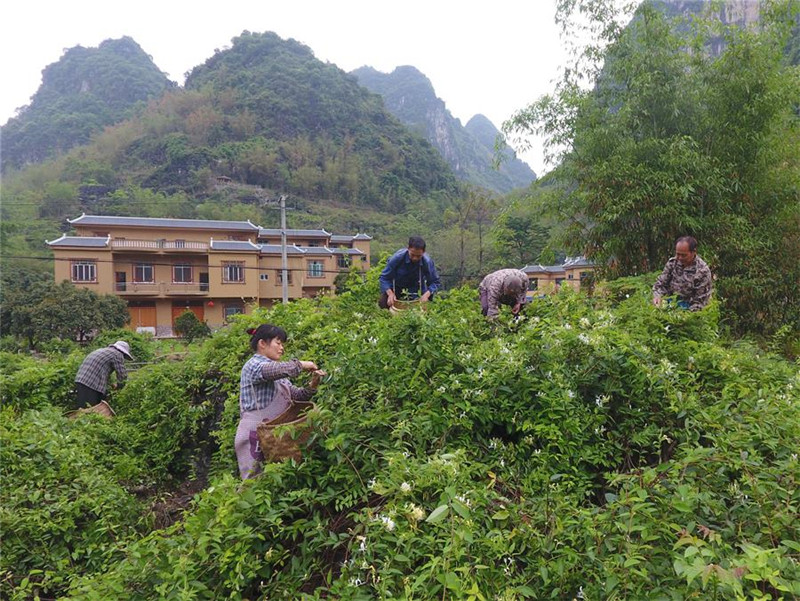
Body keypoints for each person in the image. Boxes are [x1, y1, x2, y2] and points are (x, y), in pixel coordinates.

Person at [235, 324, 325, 480]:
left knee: (277, 482)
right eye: (278, 343)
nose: (282, 348)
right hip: (254, 436)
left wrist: (313, 384)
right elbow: (275, 370)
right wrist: (302, 365)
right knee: (254, 485)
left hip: (275, 435)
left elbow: (297, 396)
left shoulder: (278, 373)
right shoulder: (253, 365)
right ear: (262, 343)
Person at [378, 236, 441, 309]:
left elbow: (435, 282)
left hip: (417, 290)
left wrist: (426, 295)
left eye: (418, 256)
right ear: (408, 249)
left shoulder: (427, 262)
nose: (415, 258)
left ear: (423, 252)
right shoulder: (397, 258)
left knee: (426, 309)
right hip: (397, 288)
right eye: (412, 255)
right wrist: (390, 294)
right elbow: (384, 278)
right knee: (383, 303)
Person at [653, 235, 713, 311]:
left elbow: (700, 301)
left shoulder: (702, 270)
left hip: (690, 307)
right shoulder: (672, 263)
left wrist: (685, 317)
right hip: (669, 302)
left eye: (684, 255)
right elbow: (660, 284)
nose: (680, 258)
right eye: (678, 254)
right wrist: (658, 297)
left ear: (693, 252)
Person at [74, 340, 133, 408]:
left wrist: (111, 384)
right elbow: (122, 376)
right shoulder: (117, 354)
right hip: (92, 384)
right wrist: (119, 388)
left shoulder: (103, 350)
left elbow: (101, 371)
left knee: (82, 408)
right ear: (123, 352)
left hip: (80, 380)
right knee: (92, 409)